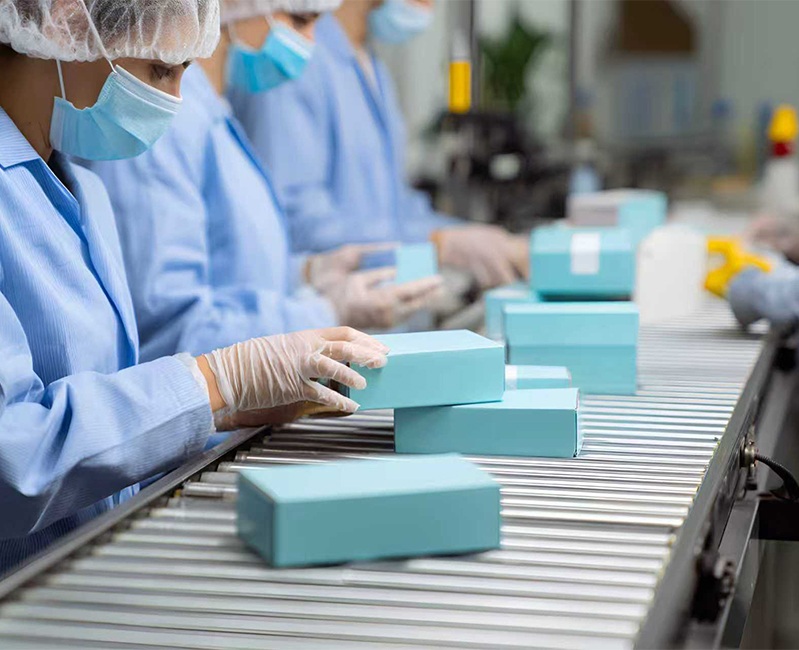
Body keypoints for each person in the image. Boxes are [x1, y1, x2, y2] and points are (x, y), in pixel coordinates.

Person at [0, 0, 388, 574]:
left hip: (80, 568)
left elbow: (100, 398)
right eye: (161, 70)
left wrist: (219, 411)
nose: (176, 101)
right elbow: (14, 464)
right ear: (64, 20)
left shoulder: (79, 186)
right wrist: (213, 385)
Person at [88, 0, 441, 364]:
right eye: (300, 20)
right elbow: (172, 329)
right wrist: (324, 313)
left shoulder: (214, 110)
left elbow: (232, 270)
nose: (310, 43)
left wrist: (305, 275)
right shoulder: (164, 122)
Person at [229, 0, 528, 289]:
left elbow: (395, 208)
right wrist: (437, 244)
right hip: (332, 324)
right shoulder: (294, 59)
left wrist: (478, 239)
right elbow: (299, 222)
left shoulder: (372, 65)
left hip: (389, 318)